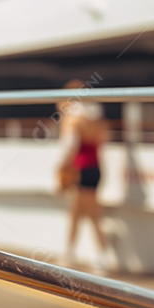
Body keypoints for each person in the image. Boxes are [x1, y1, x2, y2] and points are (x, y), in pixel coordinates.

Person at [55, 79, 109, 267]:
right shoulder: (94, 119)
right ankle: (86, 255)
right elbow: (102, 139)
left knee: (84, 214)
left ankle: (82, 255)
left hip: (81, 169)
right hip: (95, 168)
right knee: (84, 214)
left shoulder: (72, 119)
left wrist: (62, 167)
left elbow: (70, 147)